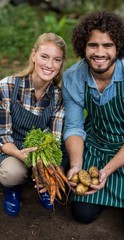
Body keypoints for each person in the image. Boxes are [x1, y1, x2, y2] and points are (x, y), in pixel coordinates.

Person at [62, 11, 124, 235]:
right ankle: (106, 194)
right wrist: (76, 165)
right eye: (92, 45)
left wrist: (104, 172)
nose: (99, 52)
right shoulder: (72, 78)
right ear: (82, 47)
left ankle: (121, 188)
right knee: (82, 215)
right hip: (96, 143)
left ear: (119, 48)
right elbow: (75, 128)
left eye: (107, 45)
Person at [0, 32, 66, 216]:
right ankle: (12, 188)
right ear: (34, 55)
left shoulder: (59, 96)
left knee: (59, 167)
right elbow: (3, 136)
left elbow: (54, 138)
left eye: (57, 60)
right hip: (11, 148)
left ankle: (44, 185)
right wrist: (22, 156)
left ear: (61, 64)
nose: (49, 65)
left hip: (39, 149)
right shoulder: (7, 87)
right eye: (44, 57)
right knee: (13, 173)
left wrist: (46, 165)